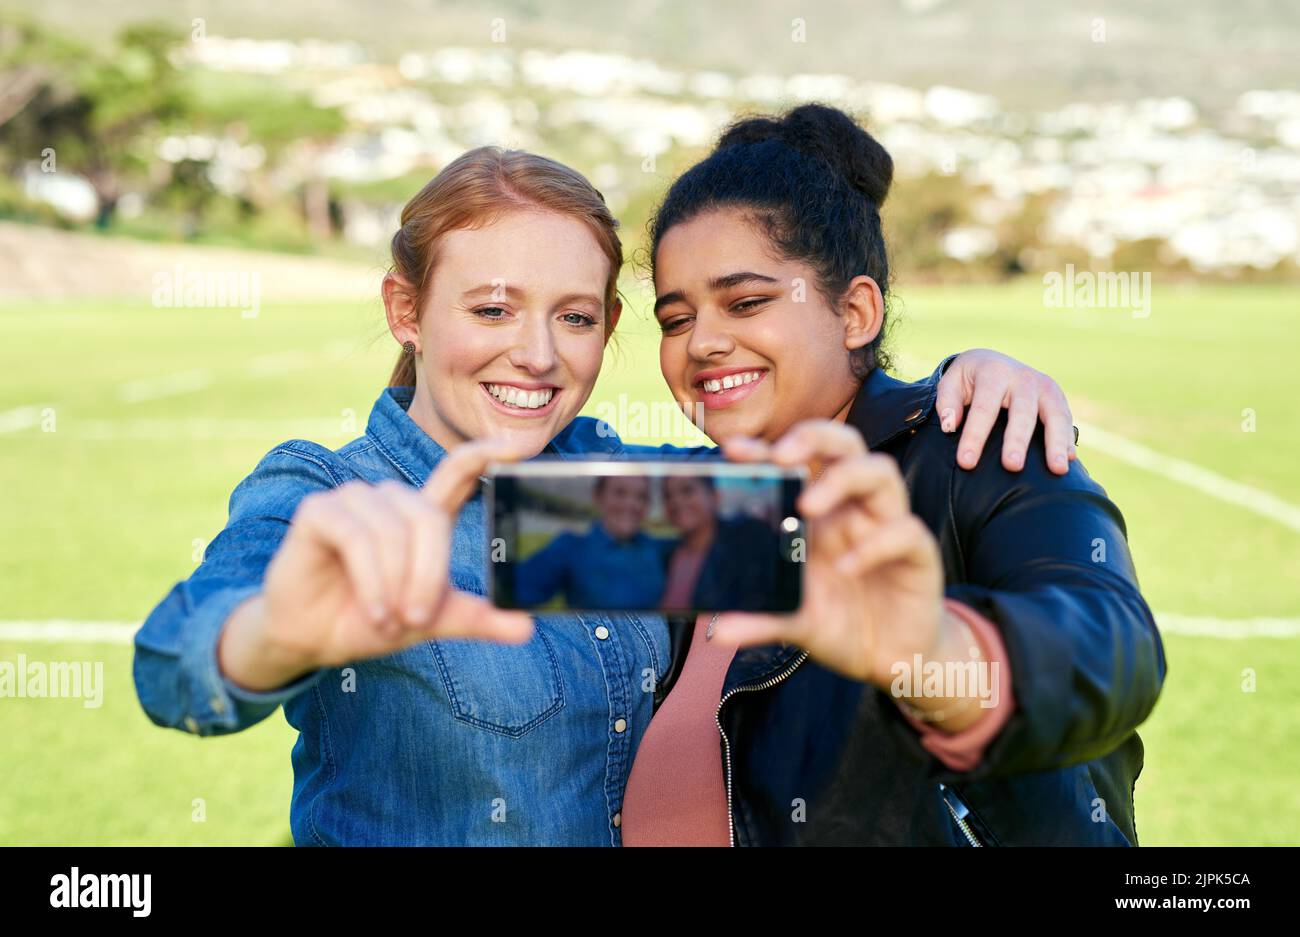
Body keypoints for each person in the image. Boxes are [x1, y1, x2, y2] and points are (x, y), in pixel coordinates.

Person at [133, 144, 1085, 845]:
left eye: (575, 317)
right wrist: (275, 638)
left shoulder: (605, 486)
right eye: (492, 308)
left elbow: (814, 455)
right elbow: (175, 668)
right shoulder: (332, 492)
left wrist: (967, 381)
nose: (538, 355)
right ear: (407, 310)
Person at [618, 103, 1165, 846]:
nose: (703, 342)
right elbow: (508, 493)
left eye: (745, 301)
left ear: (855, 312)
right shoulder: (687, 504)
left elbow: (1112, 653)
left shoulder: (977, 447)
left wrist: (932, 650)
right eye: (675, 319)